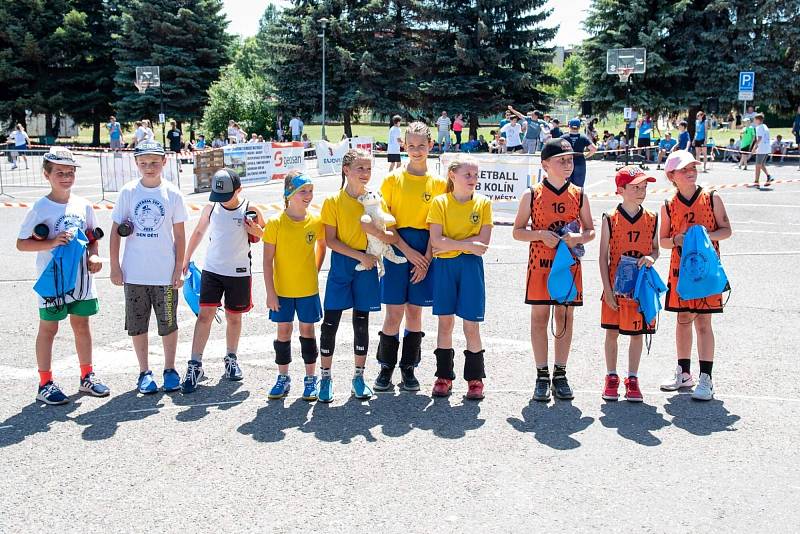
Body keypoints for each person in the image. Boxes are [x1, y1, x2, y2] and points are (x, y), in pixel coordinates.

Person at [16, 147, 109, 405]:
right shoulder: (39, 207)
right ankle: (45, 383)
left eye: (70, 172)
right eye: (59, 172)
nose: (66, 177)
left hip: (80, 278)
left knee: (82, 325)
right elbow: (22, 244)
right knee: (49, 328)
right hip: (53, 278)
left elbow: (92, 237)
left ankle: (87, 376)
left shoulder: (83, 204)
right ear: (47, 175)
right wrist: (52, 242)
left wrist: (93, 255)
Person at [511, 138, 595, 401]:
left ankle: (560, 373)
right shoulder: (532, 194)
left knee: (564, 317)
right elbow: (517, 232)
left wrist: (577, 238)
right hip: (540, 265)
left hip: (567, 265)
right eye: (562, 160)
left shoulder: (579, 194)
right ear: (545, 164)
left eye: (570, 160)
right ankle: (541, 374)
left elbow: (591, 231)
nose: (568, 164)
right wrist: (539, 235)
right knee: (539, 318)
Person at [318, 148, 396, 403]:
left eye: (369, 169)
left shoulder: (375, 199)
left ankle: (358, 377)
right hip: (344, 263)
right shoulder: (333, 202)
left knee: (361, 322)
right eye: (360, 168)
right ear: (346, 170)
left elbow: (388, 236)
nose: (365, 174)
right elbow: (330, 240)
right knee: (331, 321)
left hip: (369, 262)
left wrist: (373, 232)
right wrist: (359, 256)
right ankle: (326, 377)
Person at [110, 141, 188, 394]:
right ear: (136, 164)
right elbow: (115, 231)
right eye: (143, 163)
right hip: (135, 273)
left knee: (168, 322)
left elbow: (180, 235)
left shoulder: (172, 194)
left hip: (164, 274)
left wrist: (178, 268)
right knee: (137, 323)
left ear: (164, 162)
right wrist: (115, 265)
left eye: (154, 162)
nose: (149, 167)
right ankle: (144, 371)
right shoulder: (128, 192)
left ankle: (169, 368)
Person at [374, 122, 447, 392]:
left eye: (422, 145)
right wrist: (407, 251)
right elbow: (385, 222)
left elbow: (438, 225)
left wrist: (425, 258)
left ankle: (409, 368)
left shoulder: (439, 184)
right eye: (411, 145)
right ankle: (385, 368)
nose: (416, 151)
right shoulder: (392, 180)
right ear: (404, 146)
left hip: (425, 250)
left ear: (431, 146)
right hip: (397, 249)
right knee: (393, 313)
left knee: (415, 313)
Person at [179, 169, 264, 393]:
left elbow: (263, 234)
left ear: (239, 190)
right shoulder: (212, 207)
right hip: (212, 270)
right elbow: (198, 232)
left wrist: (255, 229)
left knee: (233, 318)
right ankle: (195, 364)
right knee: (204, 316)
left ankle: (231, 358)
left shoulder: (250, 208)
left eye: (226, 195)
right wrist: (186, 258)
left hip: (238, 272)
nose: (221, 200)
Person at [659, 150, 732, 400]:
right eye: (684, 169)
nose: (691, 172)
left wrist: (703, 238)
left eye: (693, 167)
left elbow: (726, 230)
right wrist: (678, 239)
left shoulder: (711, 198)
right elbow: (664, 242)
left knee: (703, 322)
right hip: (681, 272)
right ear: (672, 176)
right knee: (682, 321)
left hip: (706, 272)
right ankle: (684, 372)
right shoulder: (669, 205)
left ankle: (706, 378)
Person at [427, 157, 493, 399]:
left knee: (471, 325)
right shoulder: (440, 203)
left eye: (475, 176)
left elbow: (482, 245)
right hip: (444, 267)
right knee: (445, 323)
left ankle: (475, 379)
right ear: (452, 175)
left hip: (470, 268)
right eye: (468, 175)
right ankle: (444, 376)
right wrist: (467, 244)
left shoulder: (483, 203)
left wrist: (451, 245)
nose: (473, 180)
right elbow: (436, 242)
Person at [263, 171, 327, 401]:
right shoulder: (275, 223)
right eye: (303, 191)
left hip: (308, 289)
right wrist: (270, 292)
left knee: (308, 332)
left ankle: (310, 378)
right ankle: (283, 377)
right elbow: (267, 261)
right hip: (282, 291)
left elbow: (322, 245)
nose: (308, 195)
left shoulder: (316, 221)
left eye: (310, 191)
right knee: (283, 332)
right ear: (289, 194)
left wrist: (315, 270)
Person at [599, 166, 660, 402]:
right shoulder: (610, 218)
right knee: (612, 332)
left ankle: (632, 378)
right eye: (635, 187)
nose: (641, 191)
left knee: (637, 334)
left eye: (644, 186)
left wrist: (652, 258)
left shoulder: (652, 218)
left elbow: (655, 249)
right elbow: (603, 257)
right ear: (621, 190)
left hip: (640, 288)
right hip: (615, 288)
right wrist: (606, 289)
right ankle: (611, 376)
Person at [561, 118, 597, 187]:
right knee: (578, 186)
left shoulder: (563, 137)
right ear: (579, 127)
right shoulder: (583, 137)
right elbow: (594, 149)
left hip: (566, 161)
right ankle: (578, 197)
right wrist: (586, 156)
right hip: (580, 161)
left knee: (566, 185)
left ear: (569, 126)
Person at [751, 113, 773, 187]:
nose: (754, 121)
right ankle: (769, 176)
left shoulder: (759, 127)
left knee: (758, 165)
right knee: (762, 165)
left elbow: (759, 138)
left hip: (762, 149)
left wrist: (754, 148)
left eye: (755, 119)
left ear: (758, 120)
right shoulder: (765, 126)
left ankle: (756, 181)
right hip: (767, 148)